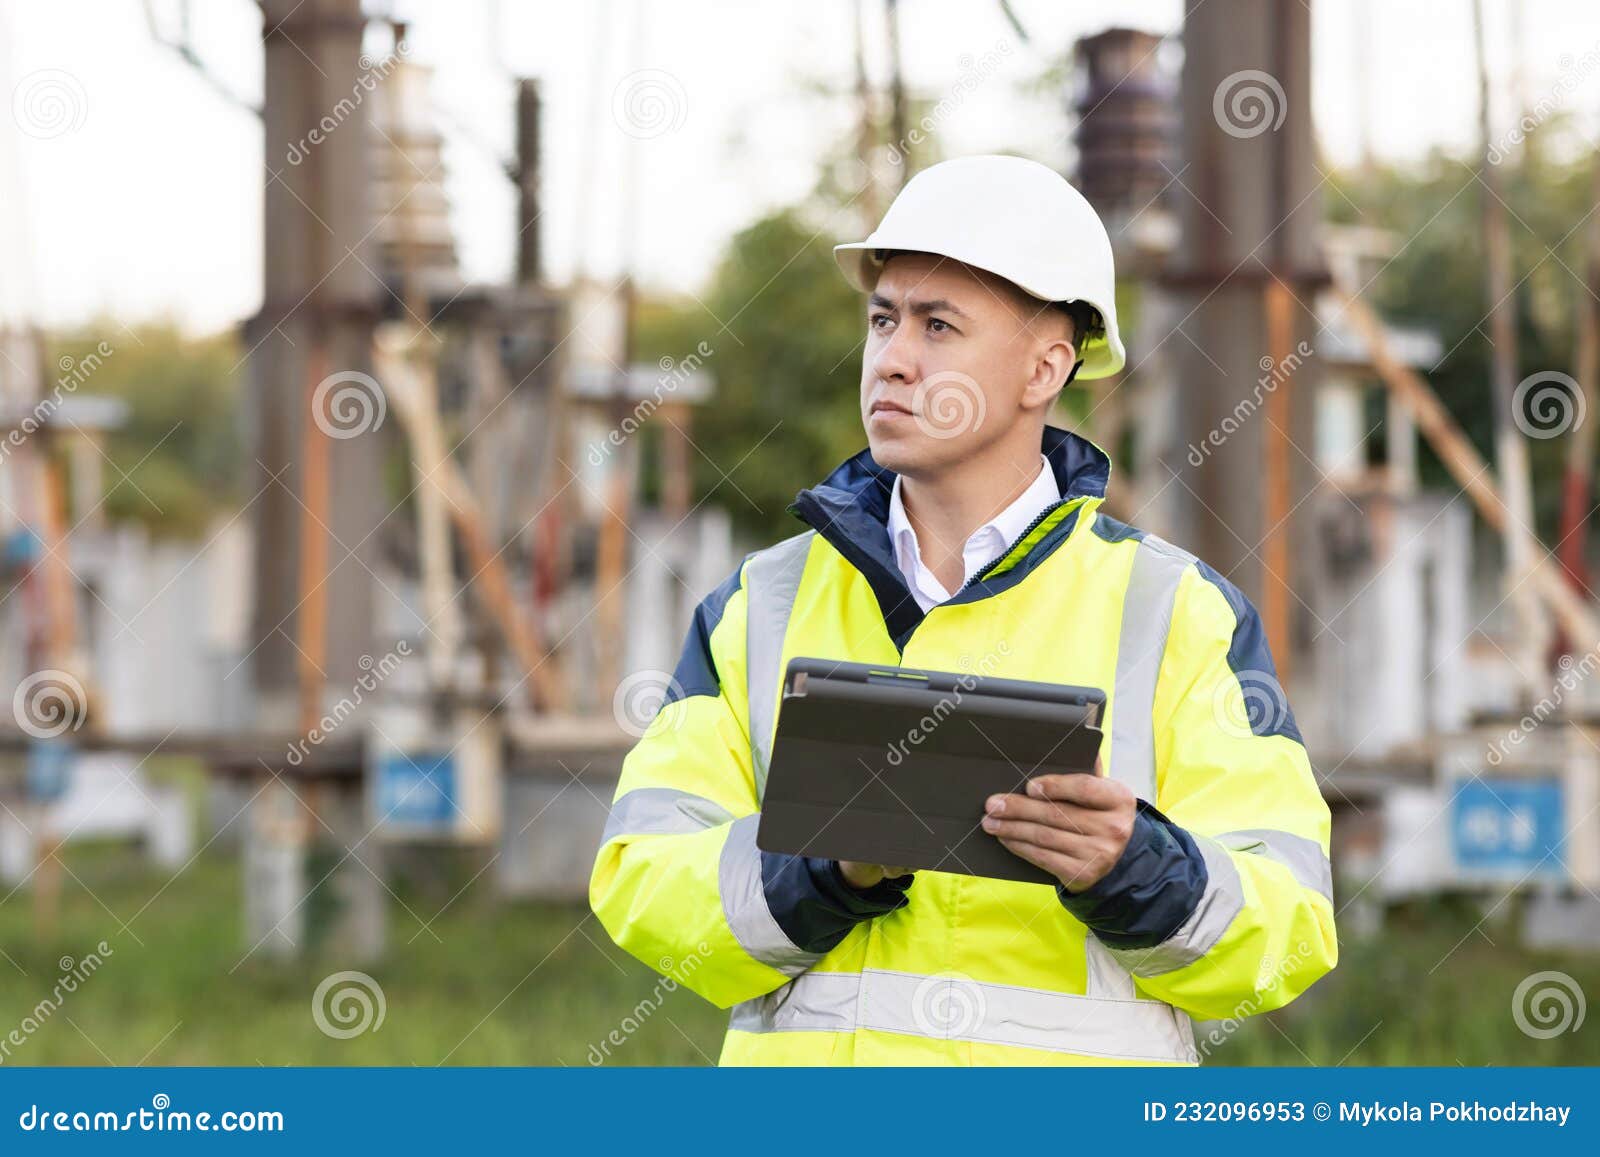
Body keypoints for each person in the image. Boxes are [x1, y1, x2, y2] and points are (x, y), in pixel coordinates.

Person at [591, 154, 1336, 1066]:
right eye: (882, 319)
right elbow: (644, 882)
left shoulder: (1177, 614)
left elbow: (1290, 929)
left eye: (939, 325)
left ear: (1043, 369)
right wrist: (828, 867)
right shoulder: (761, 603)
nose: (894, 359)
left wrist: (1133, 864)